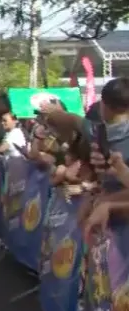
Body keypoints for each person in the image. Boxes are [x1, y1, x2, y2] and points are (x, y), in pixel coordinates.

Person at [41, 79, 129, 238]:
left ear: (103, 104)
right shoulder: (96, 131)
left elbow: (70, 120)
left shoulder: (94, 130)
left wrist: (106, 202)